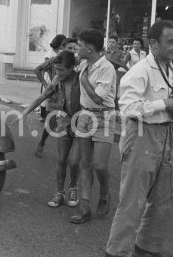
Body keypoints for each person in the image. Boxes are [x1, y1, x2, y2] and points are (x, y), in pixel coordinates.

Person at [105, 20, 173, 257]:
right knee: (132, 202)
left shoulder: (170, 67)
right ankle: (118, 252)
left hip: (166, 135)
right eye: (170, 42)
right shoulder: (140, 70)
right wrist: (164, 104)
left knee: (164, 201)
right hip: (142, 134)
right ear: (154, 44)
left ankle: (147, 249)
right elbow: (129, 107)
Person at [20, 50, 81, 208]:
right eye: (57, 70)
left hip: (81, 123)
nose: (58, 73)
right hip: (64, 122)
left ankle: (73, 188)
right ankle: (60, 193)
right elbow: (43, 97)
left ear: (71, 68)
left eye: (61, 70)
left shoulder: (81, 78)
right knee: (62, 160)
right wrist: (25, 112)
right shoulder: (57, 80)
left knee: (74, 161)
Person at [70, 29, 116, 224]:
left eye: (79, 45)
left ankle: (104, 194)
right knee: (85, 163)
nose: (77, 48)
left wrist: (83, 79)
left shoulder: (106, 68)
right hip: (84, 115)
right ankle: (85, 208)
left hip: (103, 116)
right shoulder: (83, 63)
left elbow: (98, 97)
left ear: (89, 48)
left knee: (99, 164)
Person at [32, 34, 67, 157]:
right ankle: (41, 143)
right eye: (65, 44)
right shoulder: (53, 57)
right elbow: (38, 69)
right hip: (53, 93)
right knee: (50, 123)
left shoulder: (72, 59)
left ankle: (65, 154)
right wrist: (46, 84)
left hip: (67, 95)